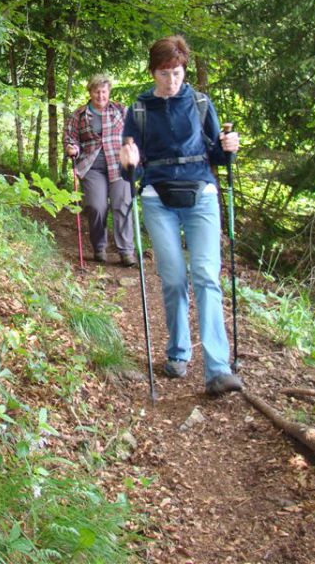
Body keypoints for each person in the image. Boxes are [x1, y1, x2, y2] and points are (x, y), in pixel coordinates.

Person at [119, 35, 243, 395]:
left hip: (201, 195)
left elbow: (218, 157)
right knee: (173, 278)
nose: (171, 80)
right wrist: (130, 165)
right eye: (164, 73)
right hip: (158, 197)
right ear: (152, 72)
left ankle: (217, 369)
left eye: (177, 73)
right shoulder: (139, 110)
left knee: (206, 276)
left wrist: (228, 149)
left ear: (184, 70)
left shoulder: (201, 103)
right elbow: (134, 169)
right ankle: (178, 351)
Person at [64, 74, 136, 266]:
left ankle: (126, 251)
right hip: (92, 166)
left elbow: (133, 133)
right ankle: (99, 247)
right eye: (97, 91)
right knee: (97, 207)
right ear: (90, 92)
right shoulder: (79, 114)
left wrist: (132, 150)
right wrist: (73, 148)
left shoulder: (121, 110)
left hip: (119, 164)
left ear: (109, 92)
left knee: (122, 204)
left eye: (104, 91)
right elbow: (71, 138)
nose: (100, 95)